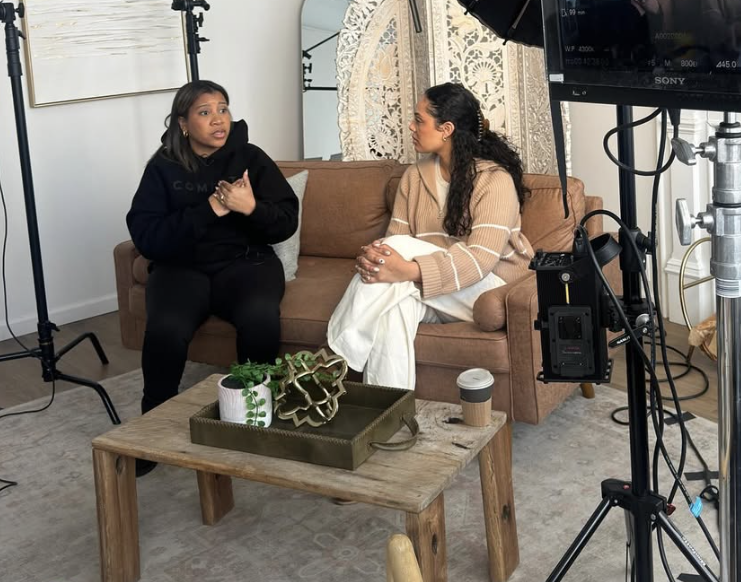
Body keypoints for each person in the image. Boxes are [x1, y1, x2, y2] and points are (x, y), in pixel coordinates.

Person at [327, 82, 531, 389]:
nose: (411, 126)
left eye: (419, 120)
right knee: (393, 308)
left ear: (446, 129)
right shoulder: (414, 176)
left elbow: (480, 260)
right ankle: (392, 408)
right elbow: (394, 245)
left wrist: (408, 270)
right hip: (434, 291)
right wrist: (378, 260)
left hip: (490, 289)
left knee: (395, 258)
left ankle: (332, 361)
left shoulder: (495, 181)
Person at [127, 80, 299, 425]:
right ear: (183, 123)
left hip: (246, 264)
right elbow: (147, 238)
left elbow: (285, 222)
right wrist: (210, 209)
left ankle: (253, 415)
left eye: (223, 109)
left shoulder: (251, 158)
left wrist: (251, 208)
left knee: (260, 318)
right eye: (205, 112)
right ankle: (153, 424)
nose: (219, 119)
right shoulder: (162, 167)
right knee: (165, 329)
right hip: (180, 268)